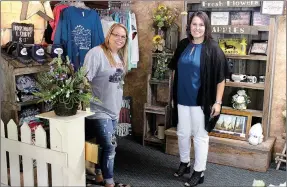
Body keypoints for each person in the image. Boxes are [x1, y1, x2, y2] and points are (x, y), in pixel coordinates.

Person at [168, 11, 229, 187]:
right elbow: (175, 70)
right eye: (194, 24)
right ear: (189, 26)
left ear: (206, 27)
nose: (197, 28)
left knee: (200, 136)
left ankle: (199, 171)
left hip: (202, 101)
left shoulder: (213, 48)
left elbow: (221, 78)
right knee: (182, 133)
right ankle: (184, 163)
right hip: (181, 98)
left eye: (201, 25)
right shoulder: (182, 45)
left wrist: (217, 102)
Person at [83, 23, 130, 187]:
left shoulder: (119, 56)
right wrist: (89, 102)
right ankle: (110, 182)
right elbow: (84, 80)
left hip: (113, 109)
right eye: (116, 35)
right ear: (108, 35)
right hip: (98, 109)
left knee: (103, 145)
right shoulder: (96, 53)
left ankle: (99, 175)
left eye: (123, 36)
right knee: (110, 146)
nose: (119, 39)